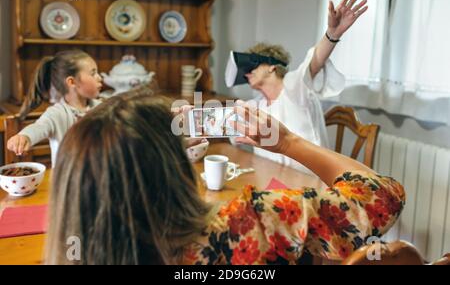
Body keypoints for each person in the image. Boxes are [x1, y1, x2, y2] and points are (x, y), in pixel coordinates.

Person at [45, 88, 405, 265]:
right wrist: (290, 142)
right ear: (174, 169)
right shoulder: (249, 224)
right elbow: (382, 196)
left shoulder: (76, 246)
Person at [237, 0, 369, 173]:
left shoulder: (294, 88)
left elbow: (314, 62)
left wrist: (332, 34)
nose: (247, 72)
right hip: (271, 182)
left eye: (253, 65)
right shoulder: (258, 105)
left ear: (272, 67)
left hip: (309, 183)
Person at [6, 50, 103, 166]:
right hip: (66, 181)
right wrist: (24, 136)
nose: (99, 78)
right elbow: (39, 127)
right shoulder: (57, 113)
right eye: (93, 73)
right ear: (72, 82)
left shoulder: (102, 107)